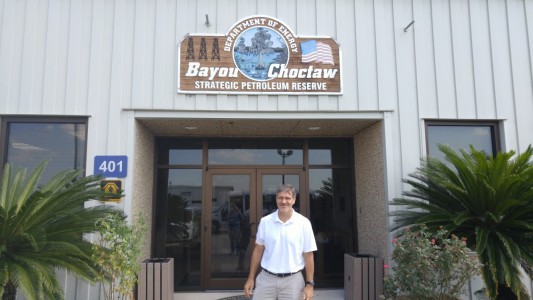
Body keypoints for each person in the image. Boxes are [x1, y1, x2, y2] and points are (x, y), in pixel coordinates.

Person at [244, 184, 317, 300]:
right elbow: (258, 251)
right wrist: (251, 278)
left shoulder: (304, 223)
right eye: (280, 198)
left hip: (293, 281)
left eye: (287, 198)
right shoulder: (265, 222)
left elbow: (308, 255)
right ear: (276, 199)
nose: (284, 201)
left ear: (294, 200)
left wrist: (310, 285)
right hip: (266, 279)